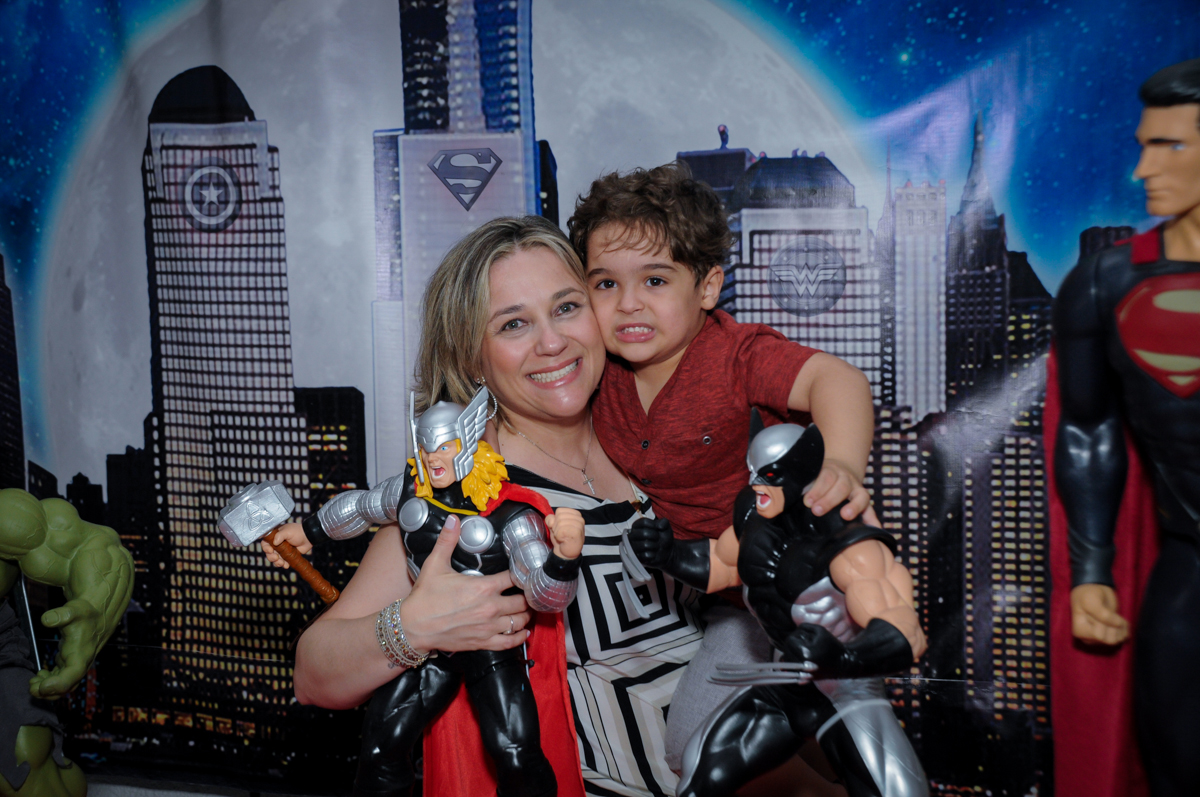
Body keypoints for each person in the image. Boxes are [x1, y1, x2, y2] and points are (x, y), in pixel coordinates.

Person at [290, 216, 706, 797]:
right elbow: (314, 674)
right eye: (514, 324)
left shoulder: (656, 433)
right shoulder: (466, 496)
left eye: (566, 307)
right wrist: (414, 626)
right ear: (472, 358)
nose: (552, 342)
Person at [567, 162, 878, 768]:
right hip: (725, 602)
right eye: (605, 284)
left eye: (655, 281)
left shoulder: (735, 355)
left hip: (800, 586)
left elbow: (836, 380)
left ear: (707, 288)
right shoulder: (598, 372)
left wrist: (840, 464)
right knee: (695, 750)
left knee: (848, 745)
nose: (628, 304)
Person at [267, 385, 586, 797]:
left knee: (515, 754)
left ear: (469, 440)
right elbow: (361, 507)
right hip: (434, 653)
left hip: (492, 650)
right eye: (427, 447)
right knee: (383, 745)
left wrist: (564, 558)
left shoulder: (511, 515)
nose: (434, 458)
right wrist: (308, 532)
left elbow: (547, 597)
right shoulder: (410, 493)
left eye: (445, 446)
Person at [1053, 57, 1200, 797]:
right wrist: (1089, 573)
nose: (1142, 167)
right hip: (1187, 573)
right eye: (1144, 143)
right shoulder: (1106, 282)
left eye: (1168, 146)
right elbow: (1086, 429)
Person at [660, 423, 927, 797]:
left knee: (898, 794)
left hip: (846, 692)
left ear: (799, 472)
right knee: (701, 773)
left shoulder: (846, 537)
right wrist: (668, 553)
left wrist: (844, 654)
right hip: (784, 684)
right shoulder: (754, 516)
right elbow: (720, 566)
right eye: (752, 471)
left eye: (768, 475)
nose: (755, 484)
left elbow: (904, 631)